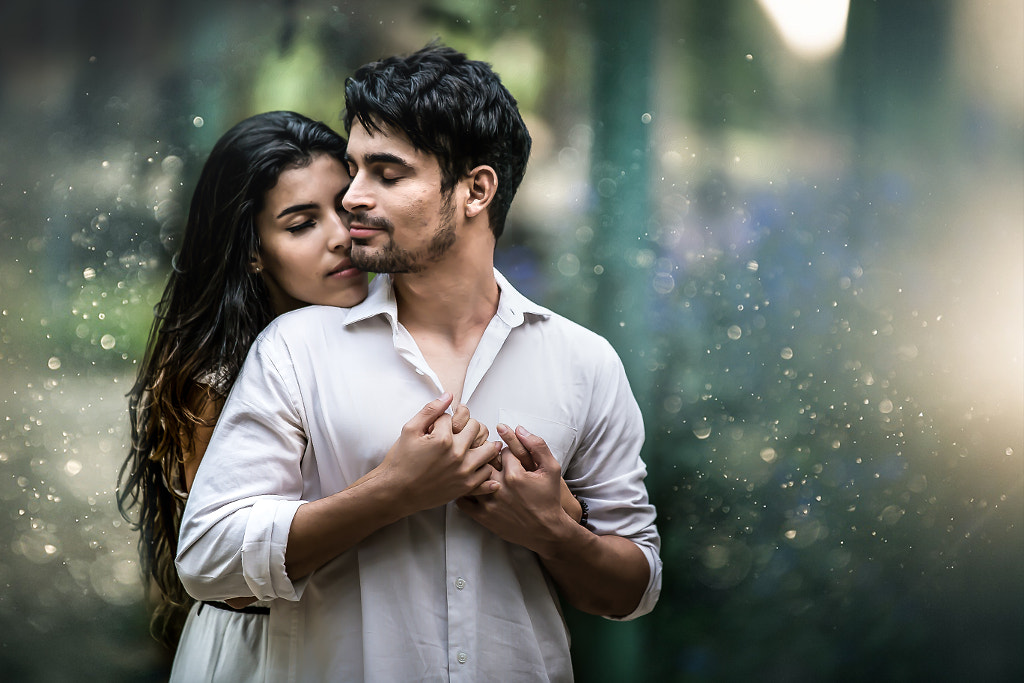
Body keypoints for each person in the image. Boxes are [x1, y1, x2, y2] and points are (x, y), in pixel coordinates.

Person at [177, 44, 661, 682]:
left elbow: (633, 590)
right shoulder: (297, 348)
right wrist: (393, 491)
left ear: (475, 190)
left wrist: (553, 533)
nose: (352, 198)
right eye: (352, 170)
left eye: (387, 173)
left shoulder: (583, 361)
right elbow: (207, 559)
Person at [117, 110, 498, 681]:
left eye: (344, 207)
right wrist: (396, 487)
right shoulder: (216, 381)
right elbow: (231, 580)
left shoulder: (405, 336)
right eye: (300, 225)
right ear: (252, 250)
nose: (342, 237)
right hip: (266, 650)